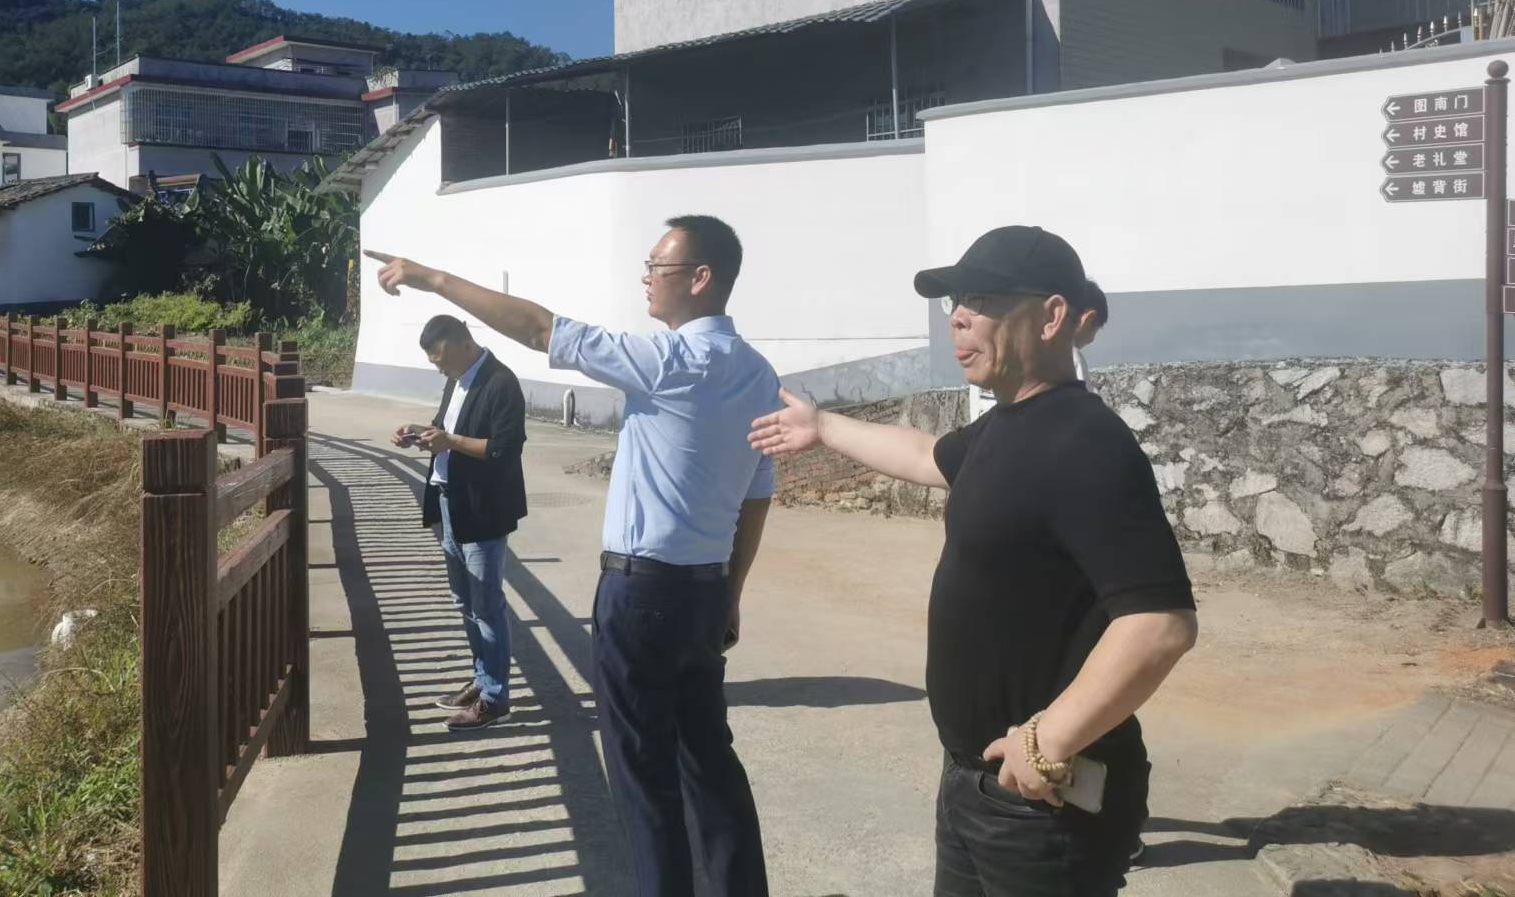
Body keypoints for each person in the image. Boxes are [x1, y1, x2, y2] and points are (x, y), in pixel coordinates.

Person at [750, 225, 1197, 896]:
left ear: (1051, 316)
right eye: (955, 301)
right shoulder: (1005, 424)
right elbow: (924, 455)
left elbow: (1160, 623)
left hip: (1042, 804)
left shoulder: (1086, 442)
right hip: (975, 783)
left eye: (982, 299)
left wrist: (1047, 741)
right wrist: (825, 427)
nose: (958, 316)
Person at [366, 214, 776, 897]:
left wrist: (432, 277)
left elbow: (539, 328)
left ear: (701, 278)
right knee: (710, 765)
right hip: (706, 592)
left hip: (641, 593)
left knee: (644, 779)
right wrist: (731, 591)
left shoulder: (669, 360)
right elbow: (759, 493)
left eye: (658, 267)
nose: (647, 278)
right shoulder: (759, 374)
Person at [392, 314, 528, 731]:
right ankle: (483, 679)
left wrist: (449, 441)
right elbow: (446, 427)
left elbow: (505, 449)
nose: (439, 369)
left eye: (441, 360)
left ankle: (495, 699)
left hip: (483, 509)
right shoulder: (457, 378)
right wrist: (421, 432)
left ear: (464, 343)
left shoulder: (502, 383)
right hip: (450, 504)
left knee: (486, 605)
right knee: (465, 602)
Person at [1074, 278, 1108, 389]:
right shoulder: (1073, 360)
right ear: (1088, 320)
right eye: (1095, 331)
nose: (1092, 340)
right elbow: (1082, 397)